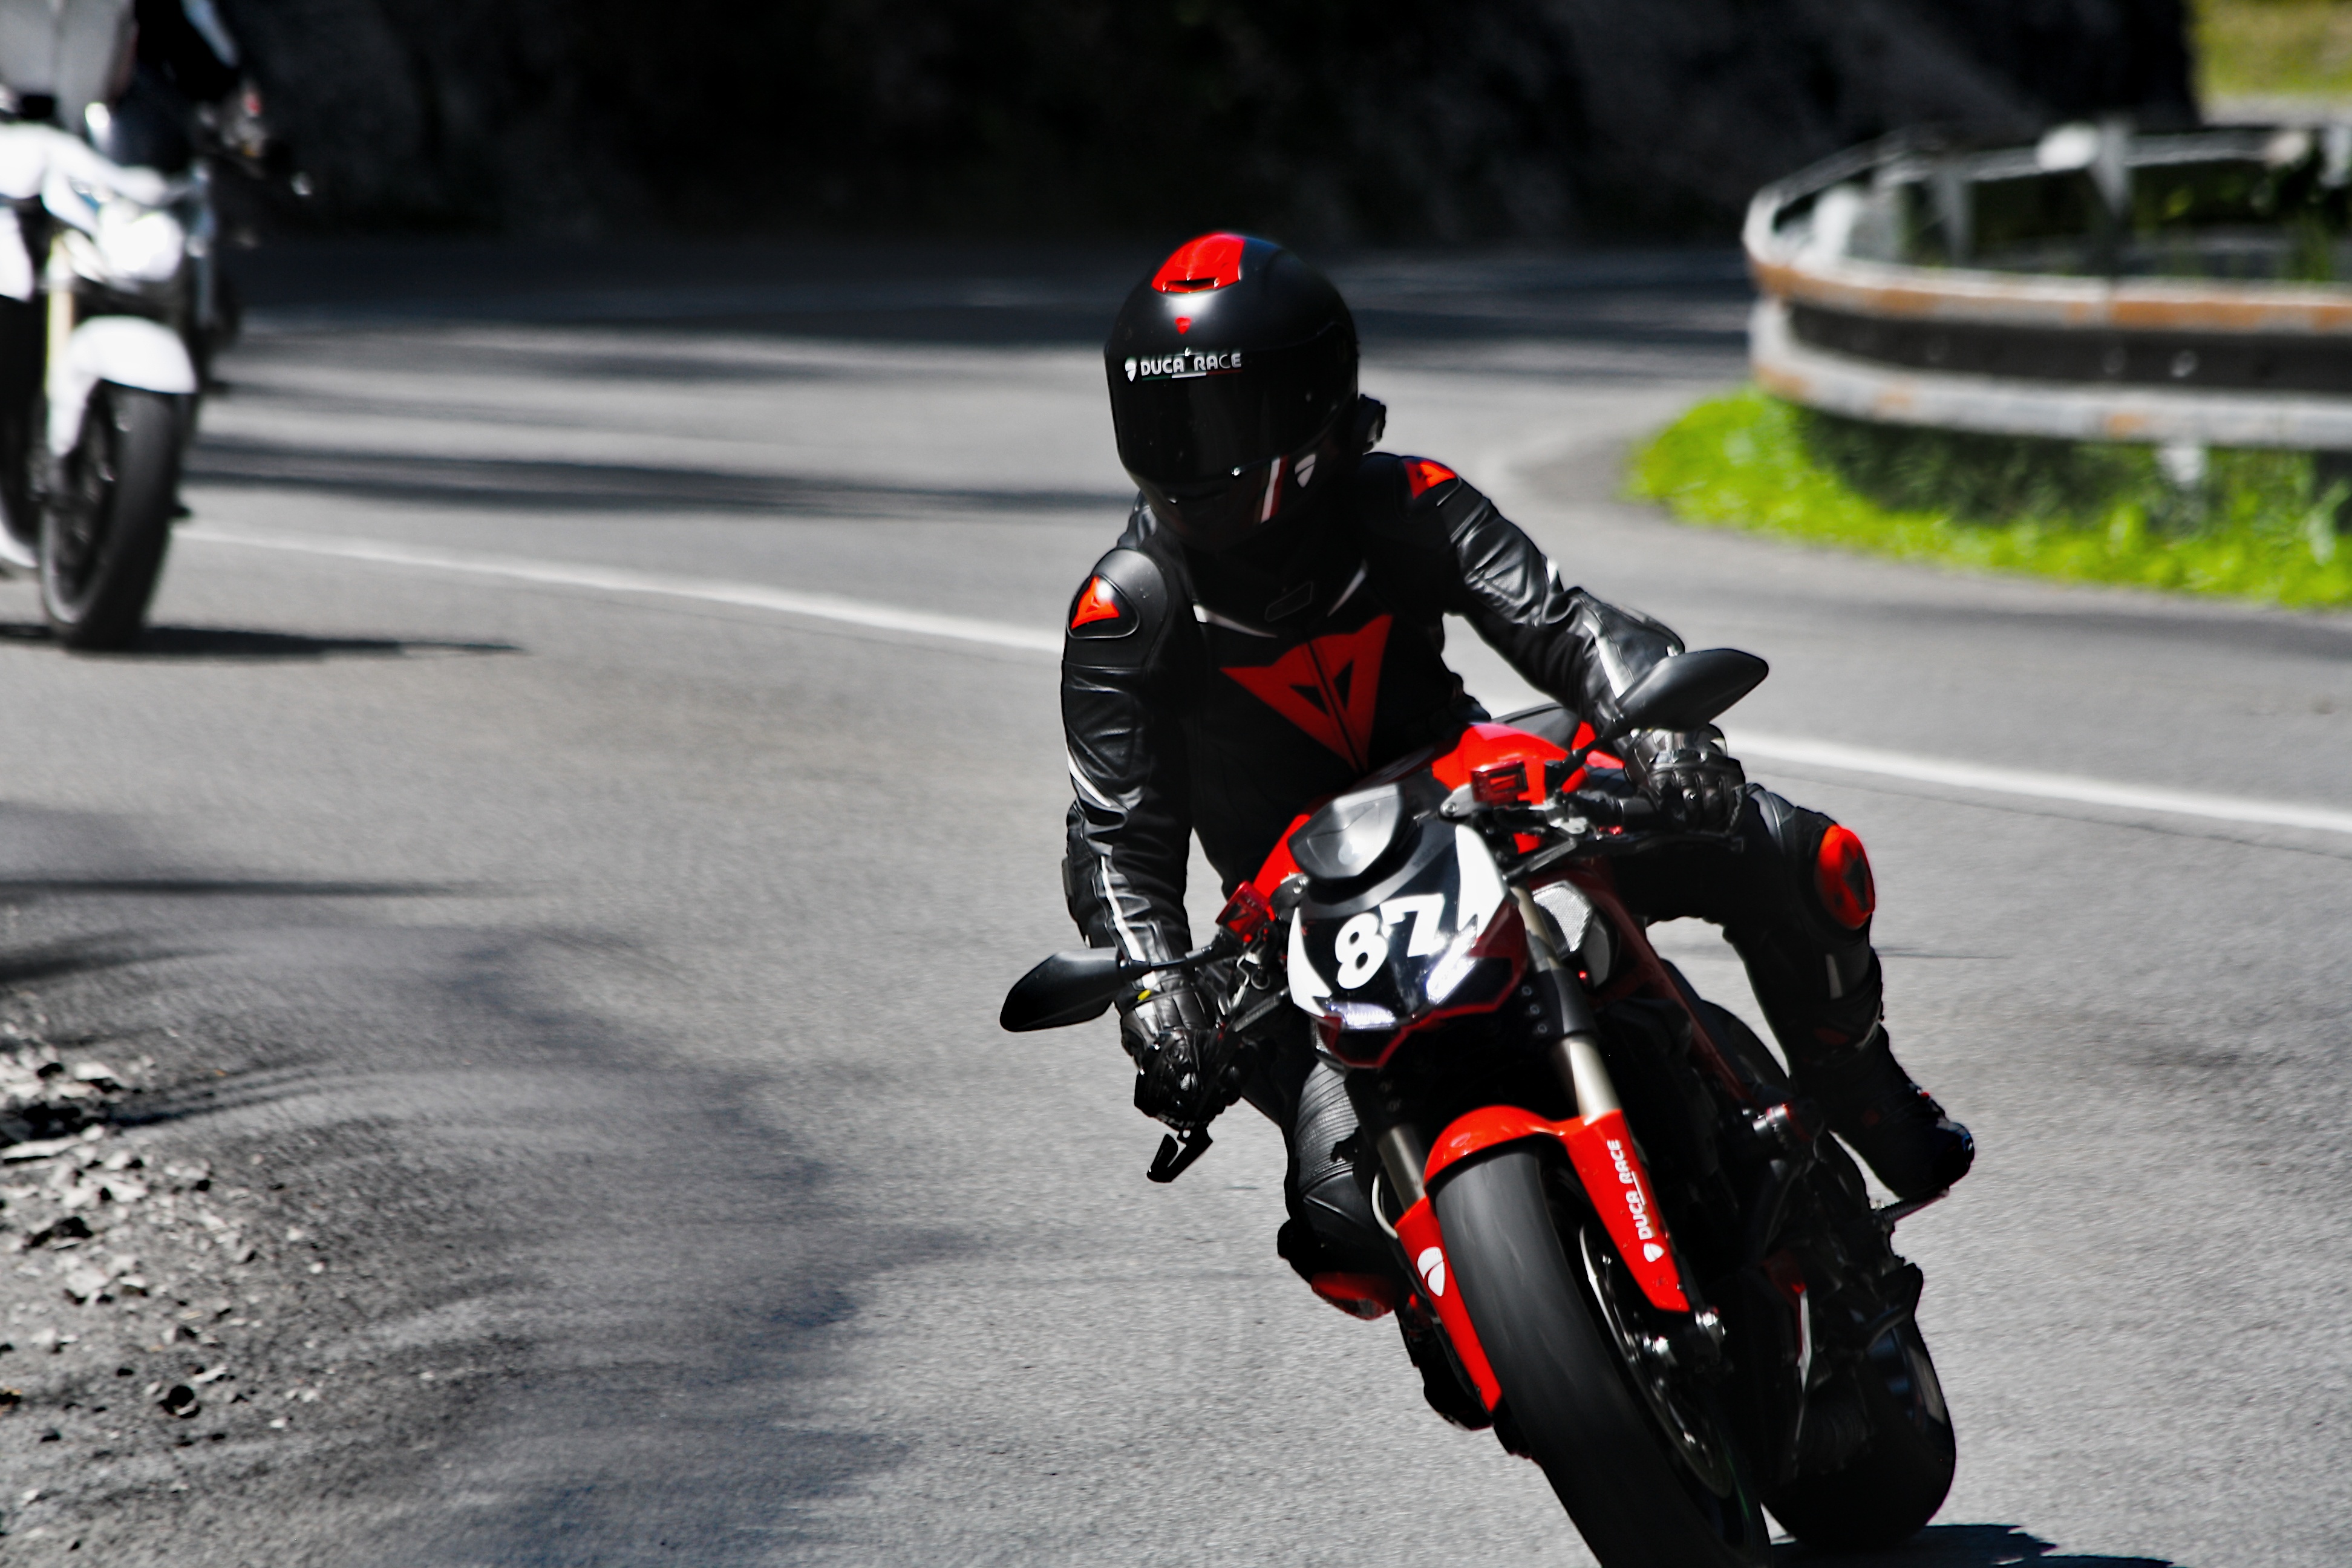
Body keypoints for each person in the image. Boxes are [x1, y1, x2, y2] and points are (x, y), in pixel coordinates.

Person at [1060, 233, 1973, 1357]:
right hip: (1297, 918)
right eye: (1160, 426)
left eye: (1211, 424)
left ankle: (1856, 1078)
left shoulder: (1408, 502)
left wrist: (1661, 726)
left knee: (1792, 851)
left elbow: (1565, 624)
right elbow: (1115, 835)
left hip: (1480, 807)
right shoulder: (1126, 610)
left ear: (1309, 404)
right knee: (1342, 1228)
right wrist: (1157, 990)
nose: (1184, 458)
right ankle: (1507, 1332)